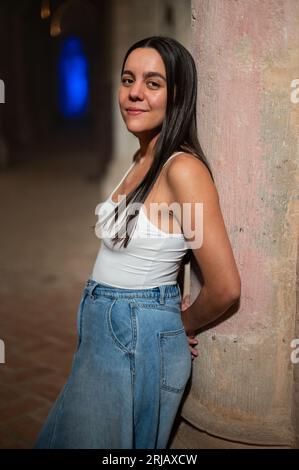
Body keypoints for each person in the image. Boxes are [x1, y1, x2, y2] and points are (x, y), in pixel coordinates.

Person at [34, 35, 241, 449]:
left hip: (134, 334)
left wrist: (177, 323)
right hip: (105, 328)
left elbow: (225, 286)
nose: (134, 93)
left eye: (153, 83)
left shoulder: (183, 170)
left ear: (177, 95)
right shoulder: (141, 158)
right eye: (128, 80)